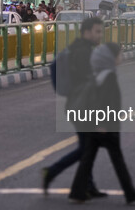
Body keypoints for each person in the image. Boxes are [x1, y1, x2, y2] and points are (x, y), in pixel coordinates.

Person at [68, 43, 135, 204]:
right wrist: (103, 124)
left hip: (93, 123)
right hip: (106, 125)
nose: (121, 57)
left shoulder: (97, 73)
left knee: (87, 159)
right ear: (110, 57)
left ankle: (77, 192)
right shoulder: (108, 76)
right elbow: (105, 102)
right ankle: (130, 193)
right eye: (119, 54)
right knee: (117, 159)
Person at [42, 17, 106, 198]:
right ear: (87, 32)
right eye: (97, 31)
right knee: (86, 149)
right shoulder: (83, 53)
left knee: (87, 146)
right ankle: (52, 172)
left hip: (77, 105)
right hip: (82, 107)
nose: (100, 35)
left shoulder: (79, 48)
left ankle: (89, 184)